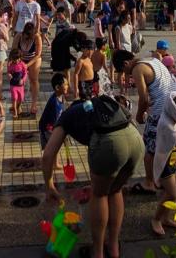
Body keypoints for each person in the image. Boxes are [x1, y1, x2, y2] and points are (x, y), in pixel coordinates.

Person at [42, 94, 144, 258]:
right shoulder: (100, 107)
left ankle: (97, 252)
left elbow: (47, 155)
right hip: (135, 139)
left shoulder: (67, 116)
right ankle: (113, 248)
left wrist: (49, 187)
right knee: (115, 191)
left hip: (110, 143)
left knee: (100, 194)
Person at [112, 49, 176, 194]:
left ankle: (149, 183)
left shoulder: (137, 69)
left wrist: (139, 116)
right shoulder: (152, 60)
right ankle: (160, 179)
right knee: (161, 147)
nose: (127, 75)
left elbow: (144, 98)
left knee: (149, 149)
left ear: (126, 63)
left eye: (124, 71)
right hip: (172, 109)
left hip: (160, 114)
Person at [151, 92, 176, 237]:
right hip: (165, 164)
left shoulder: (173, 119)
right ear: (172, 108)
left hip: (172, 161)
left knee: (171, 194)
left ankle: (166, 218)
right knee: (172, 194)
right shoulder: (166, 123)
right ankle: (156, 219)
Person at [12, 22, 42, 115]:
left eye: (29, 37)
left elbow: (38, 54)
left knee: (33, 80)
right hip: (21, 58)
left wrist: (27, 65)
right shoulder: (19, 36)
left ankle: (34, 104)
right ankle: (18, 104)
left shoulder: (37, 37)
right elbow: (13, 51)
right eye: (25, 36)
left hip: (34, 59)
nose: (26, 38)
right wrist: (14, 64)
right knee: (18, 81)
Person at [38, 73, 67, 150]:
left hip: (51, 126)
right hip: (48, 128)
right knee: (51, 148)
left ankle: (55, 162)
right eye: (65, 85)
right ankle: (51, 162)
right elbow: (56, 122)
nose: (67, 87)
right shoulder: (54, 103)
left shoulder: (61, 96)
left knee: (54, 148)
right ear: (57, 87)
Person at [6, 49, 28, 119]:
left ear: (20, 58)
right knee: (14, 98)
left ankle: (18, 107)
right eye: (14, 59)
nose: (15, 61)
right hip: (13, 85)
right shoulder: (10, 65)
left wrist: (23, 80)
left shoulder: (22, 64)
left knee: (21, 98)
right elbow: (9, 72)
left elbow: (25, 73)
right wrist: (9, 74)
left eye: (17, 59)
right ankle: (15, 113)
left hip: (20, 85)